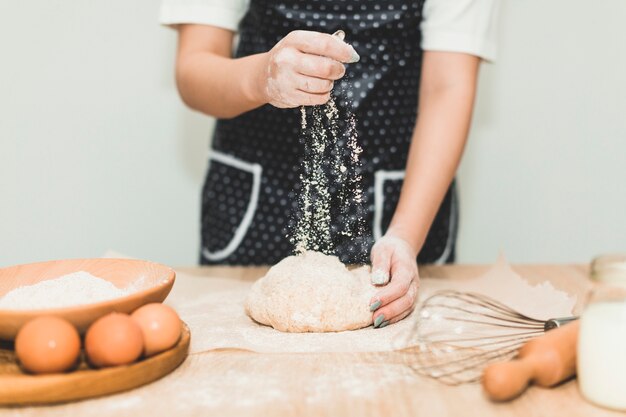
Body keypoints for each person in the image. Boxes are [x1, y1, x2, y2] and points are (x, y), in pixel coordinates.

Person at [160, 0, 499, 328]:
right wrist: (262, 77)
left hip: (398, 203)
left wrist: (405, 236)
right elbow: (194, 69)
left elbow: (448, 86)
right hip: (257, 202)